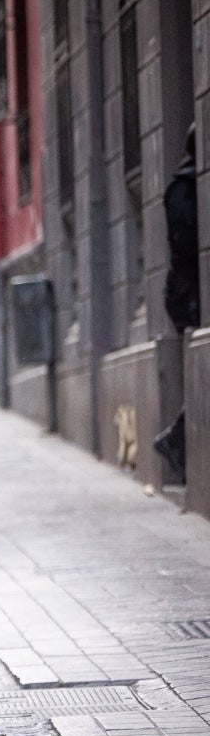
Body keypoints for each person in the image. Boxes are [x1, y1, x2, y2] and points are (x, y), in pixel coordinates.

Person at [155, 126, 198, 484]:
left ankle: (175, 438)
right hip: (189, 295)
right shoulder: (184, 187)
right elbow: (186, 242)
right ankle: (175, 438)